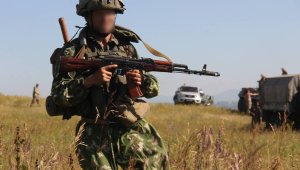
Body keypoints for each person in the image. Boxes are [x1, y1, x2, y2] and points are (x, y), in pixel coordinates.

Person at [50, 0, 169, 169]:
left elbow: (153, 90)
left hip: (128, 128)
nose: (106, 17)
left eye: (111, 13)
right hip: (93, 132)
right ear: (88, 16)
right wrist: (89, 81)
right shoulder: (74, 51)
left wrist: (141, 80)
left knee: (156, 163)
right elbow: (58, 96)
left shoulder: (127, 48)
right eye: (100, 13)